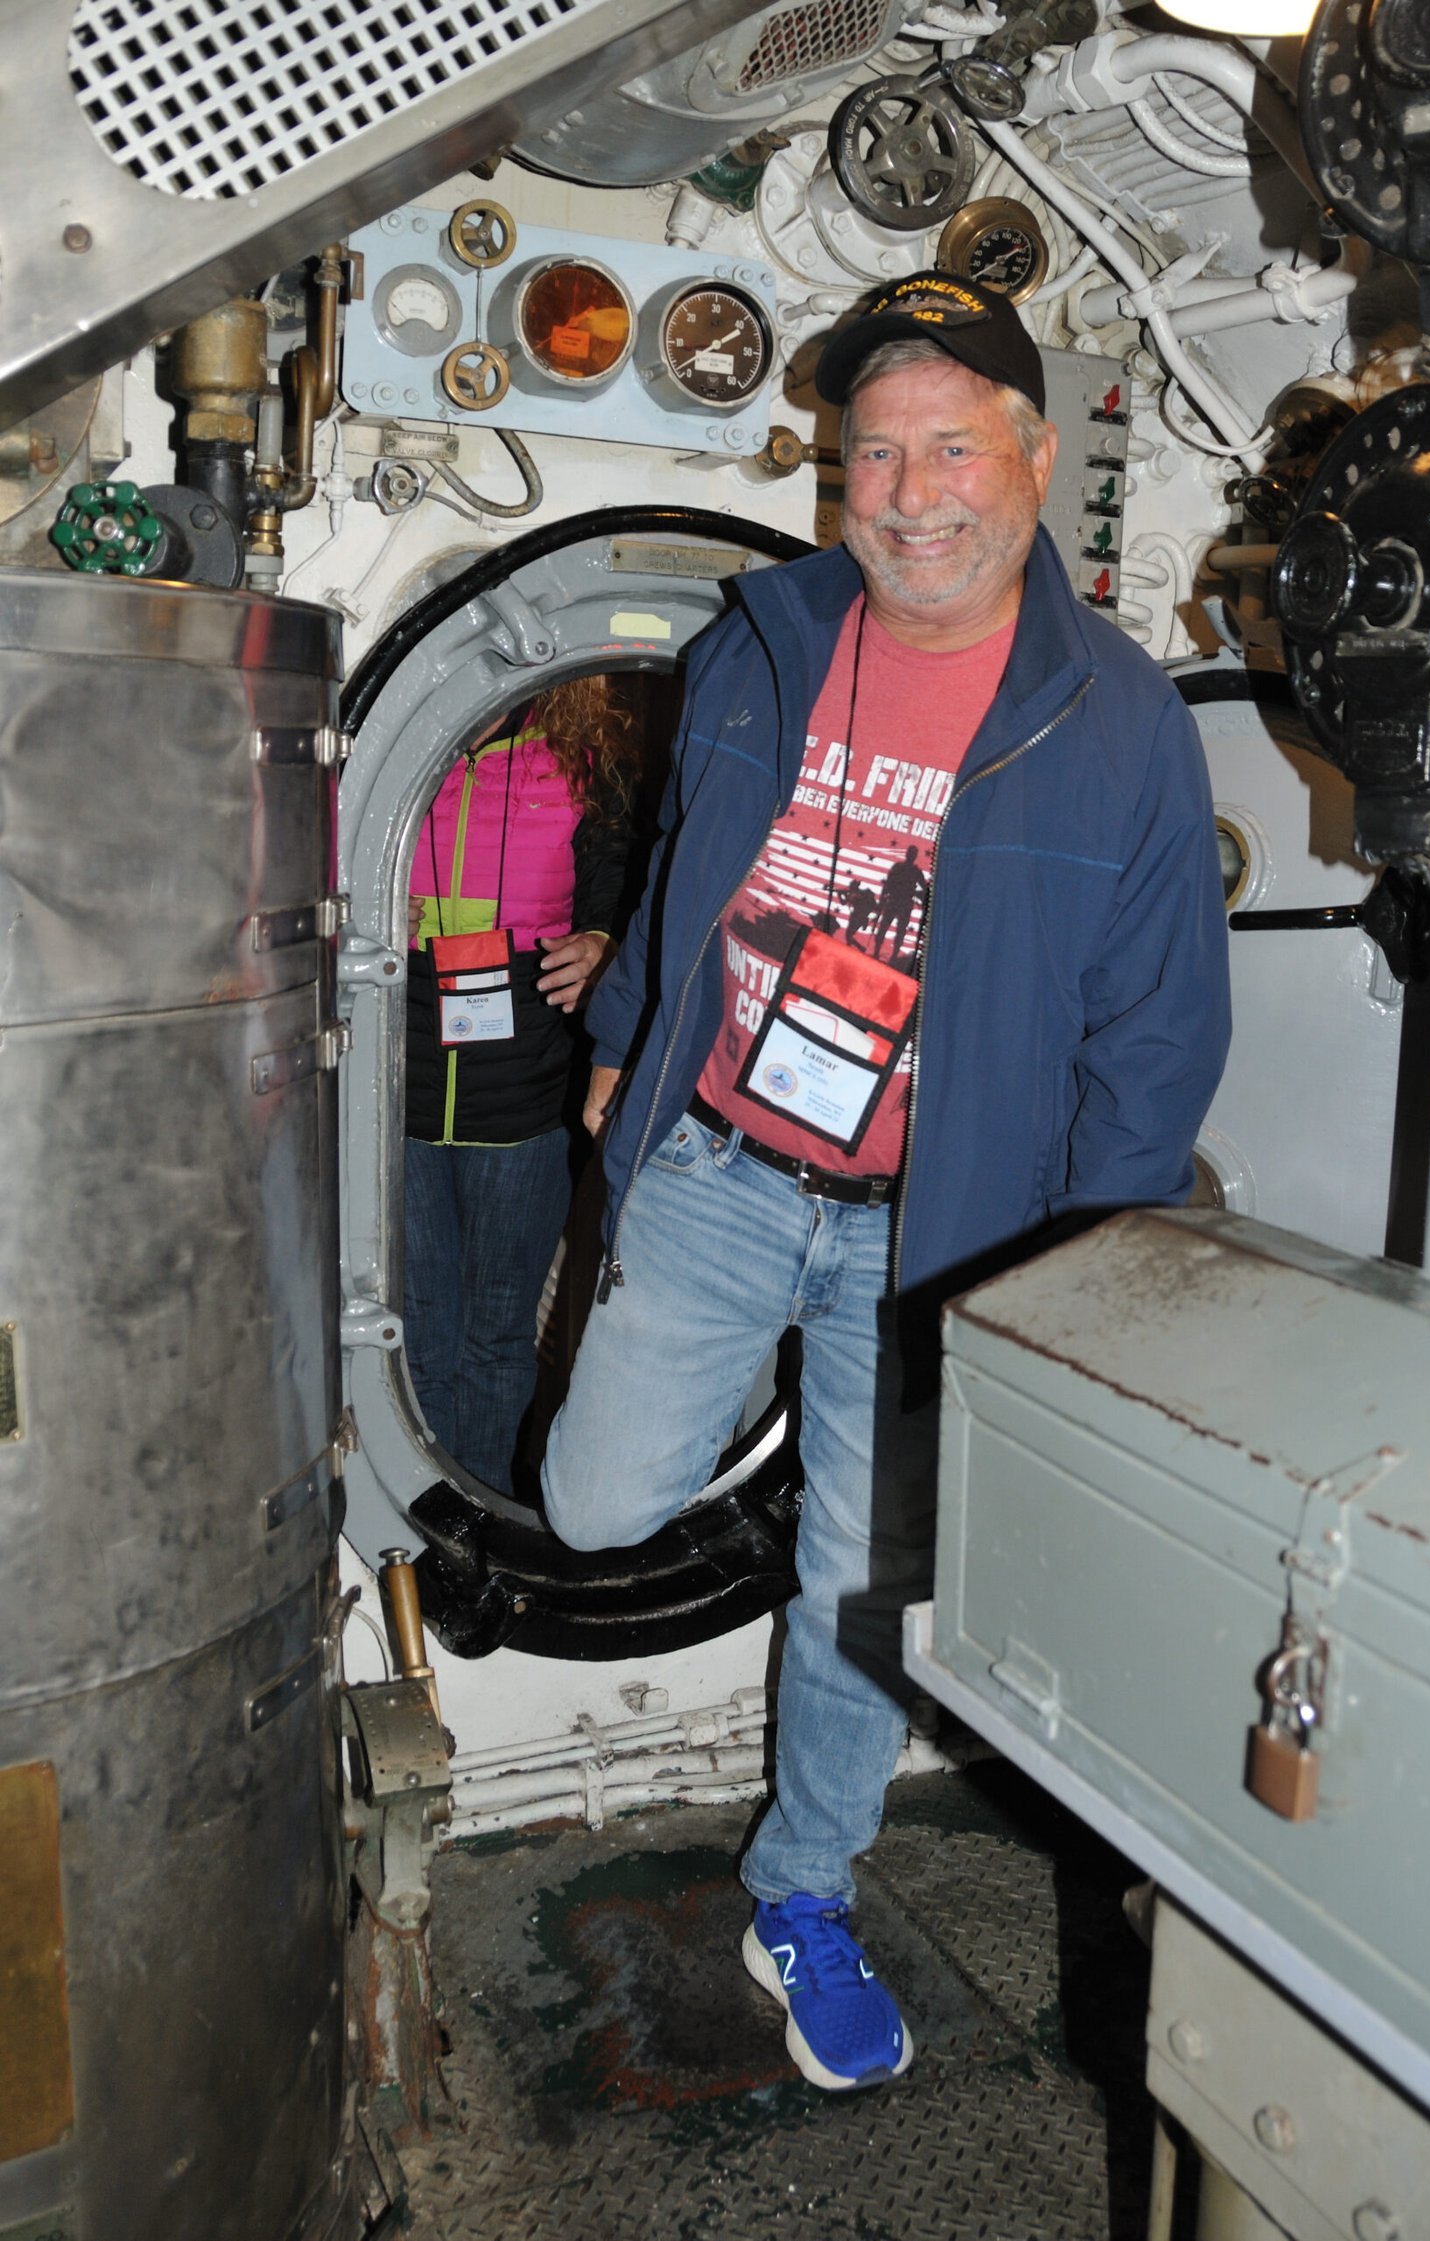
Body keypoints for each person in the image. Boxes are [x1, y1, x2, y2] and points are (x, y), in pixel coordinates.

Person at [540, 273, 1230, 2091]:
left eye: (953, 448)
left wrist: (1079, 1277)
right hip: (723, 1164)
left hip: (935, 1233)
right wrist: (625, 1026)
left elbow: (1157, 1039)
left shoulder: (1120, 721)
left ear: (1036, 456)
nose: (914, 495)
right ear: (836, 472)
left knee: (863, 1589)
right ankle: (824, 1494)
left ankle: (802, 1891)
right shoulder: (759, 642)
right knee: (595, 1507)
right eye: (875, 454)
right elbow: (681, 860)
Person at [404, 676, 636, 1495]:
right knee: (421, 1337)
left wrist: (604, 941)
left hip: (526, 1103)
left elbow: (626, 884)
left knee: (497, 1340)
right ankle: (428, 1515)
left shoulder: (584, 757)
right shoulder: (396, 741)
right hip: (400, 1098)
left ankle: (485, 1507)